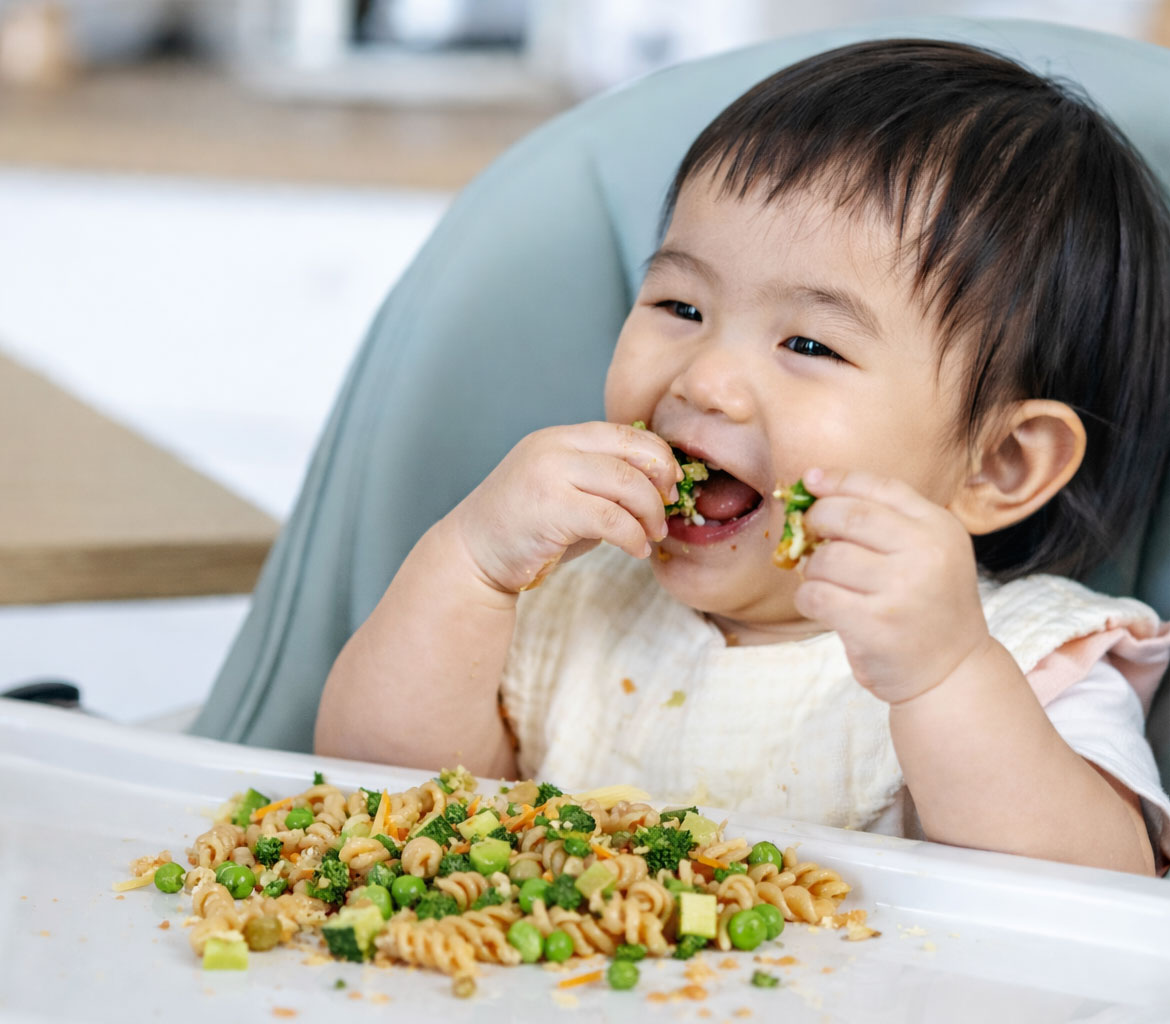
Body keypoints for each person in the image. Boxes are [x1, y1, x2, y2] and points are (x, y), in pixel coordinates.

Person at [315, 39, 1170, 875]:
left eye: (807, 342)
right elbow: (373, 801)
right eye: (680, 305)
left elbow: (1096, 895)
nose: (707, 379)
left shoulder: (1028, 661)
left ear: (1001, 464)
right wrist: (471, 566)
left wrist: (942, 676)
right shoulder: (563, 604)